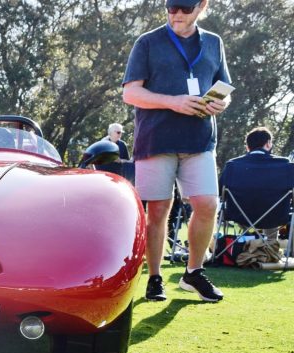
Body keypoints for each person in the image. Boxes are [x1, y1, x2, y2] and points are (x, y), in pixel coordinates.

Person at [123, 0, 230, 302]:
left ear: (202, 6)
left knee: (208, 204)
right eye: (172, 8)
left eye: (184, 8)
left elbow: (223, 85)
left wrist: (220, 102)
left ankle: (193, 273)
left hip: (199, 140)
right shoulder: (147, 42)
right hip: (156, 140)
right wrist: (174, 101)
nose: (177, 15)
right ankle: (155, 277)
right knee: (158, 210)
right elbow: (131, 92)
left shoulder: (214, 43)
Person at [219, 127, 291, 241]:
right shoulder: (285, 165)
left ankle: (246, 244)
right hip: (275, 216)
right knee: (273, 210)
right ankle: (271, 247)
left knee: (250, 211)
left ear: (247, 147)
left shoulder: (232, 165)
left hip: (240, 216)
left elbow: (220, 192)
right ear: (268, 144)